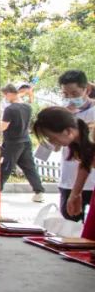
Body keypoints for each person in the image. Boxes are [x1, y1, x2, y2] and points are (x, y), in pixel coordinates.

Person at [33, 107, 95, 240]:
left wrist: (75, 194)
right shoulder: (78, 141)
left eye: (52, 138)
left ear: (67, 131)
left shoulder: (91, 136)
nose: (52, 142)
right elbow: (85, 165)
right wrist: (75, 194)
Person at [55, 70, 95, 221]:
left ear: (87, 90)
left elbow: (87, 159)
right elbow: (49, 148)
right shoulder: (62, 112)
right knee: (69, 221)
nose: (70, 98)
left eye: (74, 93)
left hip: (91, 181)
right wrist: (64, 117)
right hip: (69, 179)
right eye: (66, 94)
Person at [0, 83, 45, 201]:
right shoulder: (27, 107)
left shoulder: (10, 109)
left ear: (10, 93)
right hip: (25, 140)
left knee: (6, 167)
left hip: (12, 142)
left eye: (5, 95)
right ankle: (39, 192)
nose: (5, 97)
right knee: (30, 167)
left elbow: (3, 126)